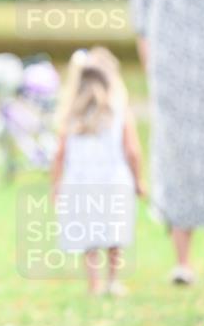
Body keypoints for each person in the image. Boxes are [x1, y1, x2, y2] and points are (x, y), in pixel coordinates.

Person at [129, 0, 204, 285]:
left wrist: (153, 69)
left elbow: (140, 19)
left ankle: (183, 261)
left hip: (169, 75)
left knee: (175, 158)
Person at [51, 47, 145, 296]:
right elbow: (132, 150)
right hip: (114, 180)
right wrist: (139, 180)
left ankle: (93, 283)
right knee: (114, 233)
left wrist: (56, 185)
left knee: (88, 233)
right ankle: (113, 280)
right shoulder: (119, 111)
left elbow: (59, 154)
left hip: (80, 182)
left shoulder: (71, 114)